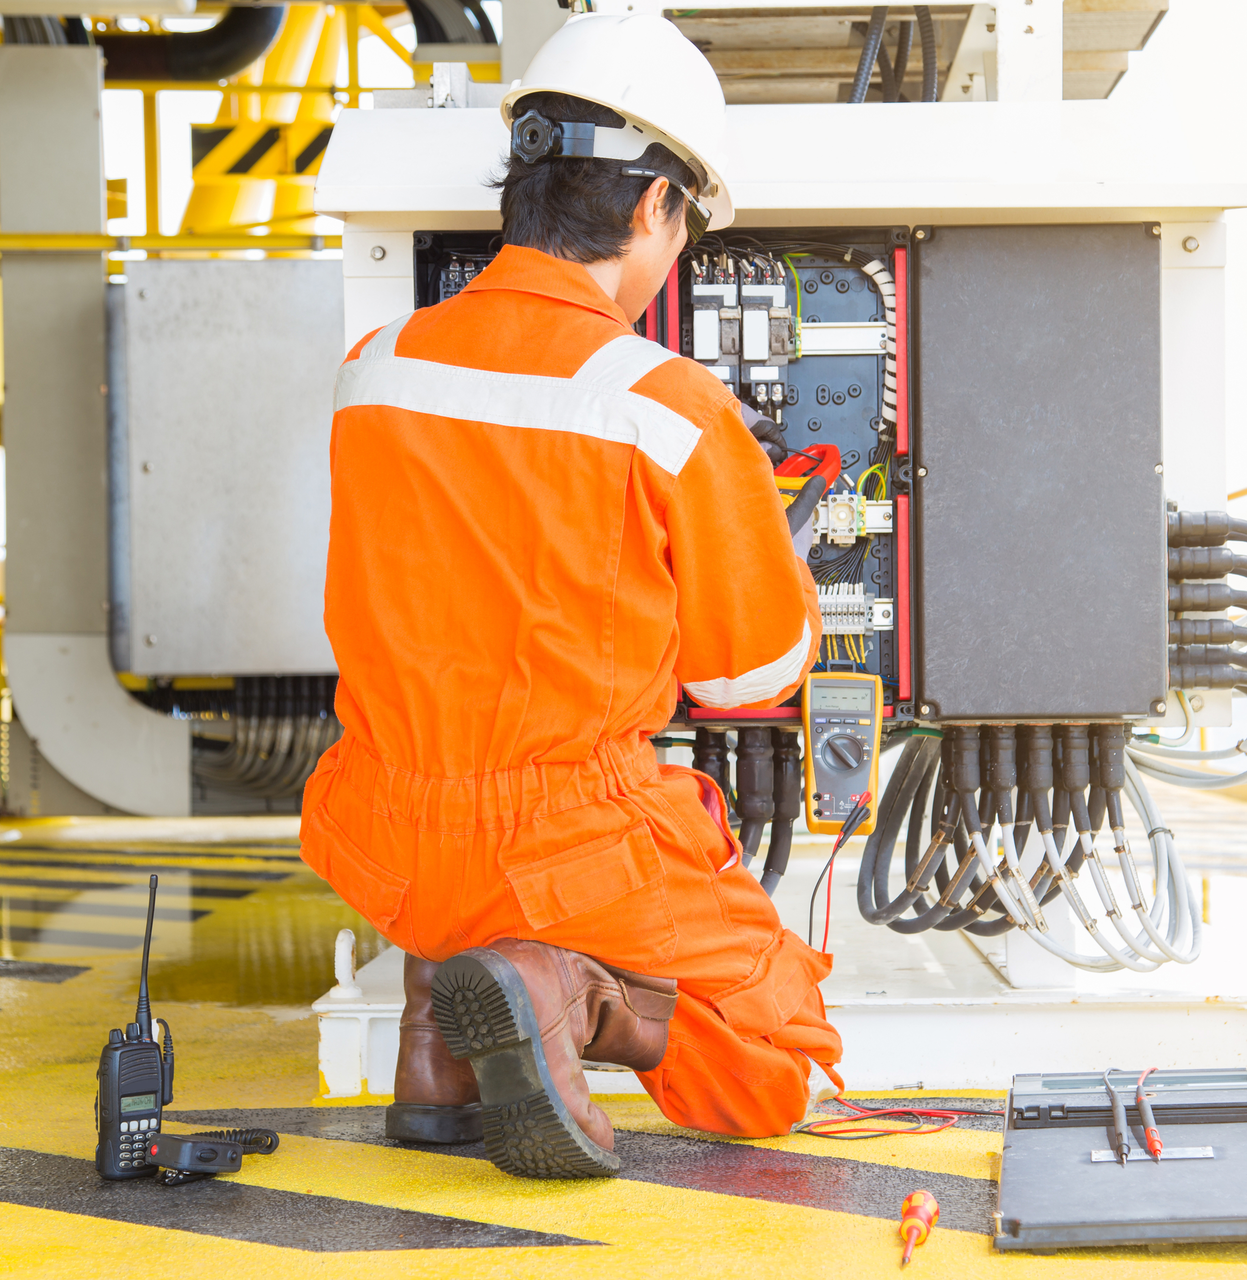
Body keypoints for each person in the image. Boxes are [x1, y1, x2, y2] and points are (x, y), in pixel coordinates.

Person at [299, 12, 841, 1180]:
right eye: (682, 230)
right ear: (655, 207)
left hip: (382, 827)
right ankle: (560, 990)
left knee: (465, 861)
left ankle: (438, 1047)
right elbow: (747, 673)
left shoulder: (371, 370)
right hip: (565, 839)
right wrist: (769, 538)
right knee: (783, 1059)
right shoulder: (669, 406)